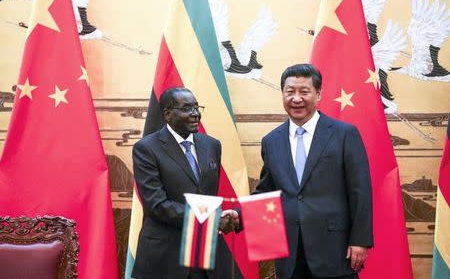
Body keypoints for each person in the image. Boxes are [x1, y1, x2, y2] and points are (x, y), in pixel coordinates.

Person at [239, 63, 374, 279]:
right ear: (282, 94)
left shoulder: (344, 134)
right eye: (290, 91)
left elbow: (360, 190)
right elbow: (266, 192)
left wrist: (360, 240)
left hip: (335, 250)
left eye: (304, 91)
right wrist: (237, 215)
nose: (296, 98)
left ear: (318, 94)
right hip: (290, 252)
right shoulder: (271, 141)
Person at [132, 87, 236, 279]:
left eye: (197, 107)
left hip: (206, 255)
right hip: (166, 256)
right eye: (187, 108)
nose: (195, 114)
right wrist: (212, 218)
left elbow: (208, 195)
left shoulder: (212, 145)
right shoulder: (146, 149)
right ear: (168, 115)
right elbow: (157, 205)